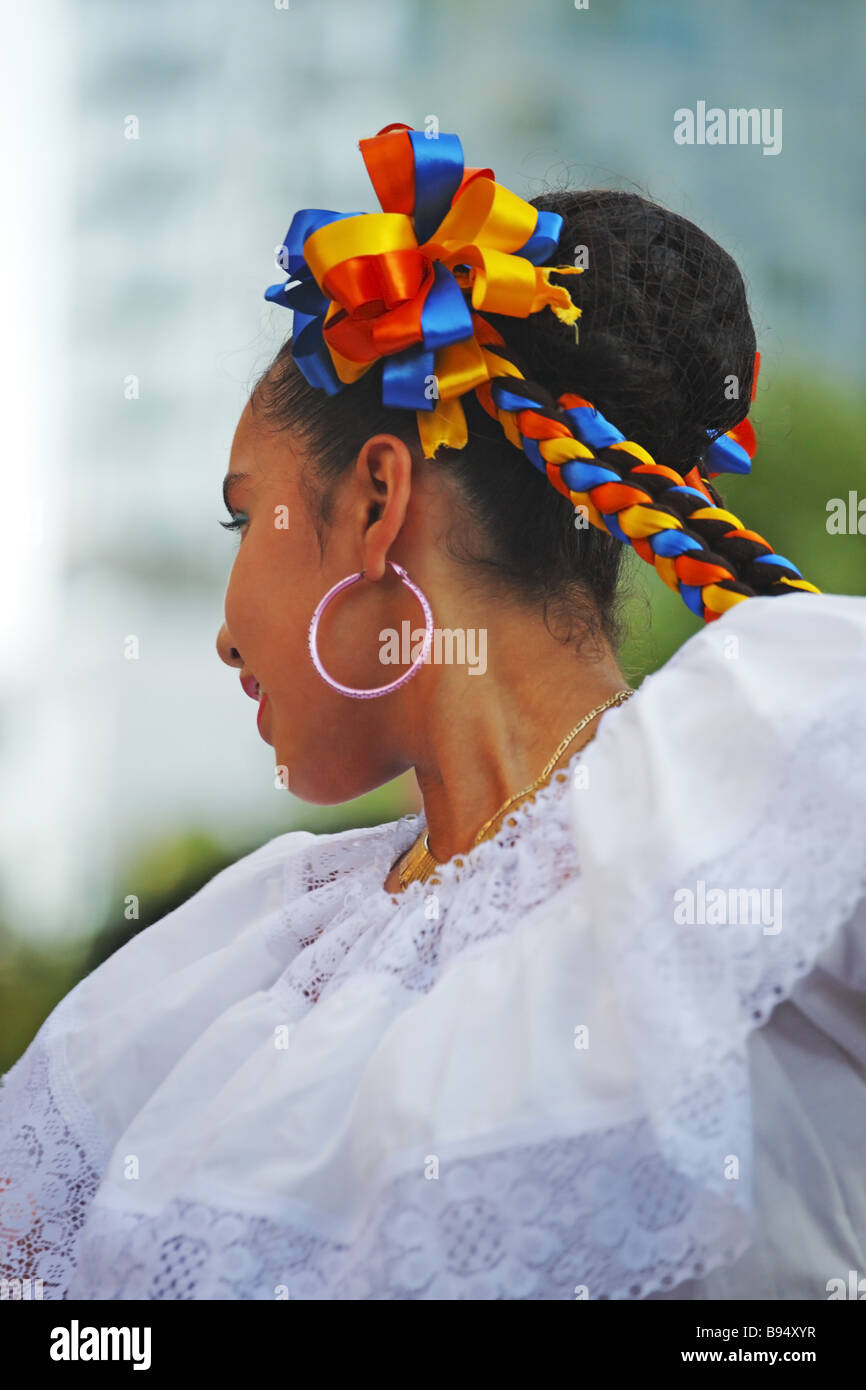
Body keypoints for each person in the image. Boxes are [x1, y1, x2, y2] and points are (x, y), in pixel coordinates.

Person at [1, 122, 864, 1302]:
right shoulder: (237, 956)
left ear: (372, 503)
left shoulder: (754, 796)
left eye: (243, 517)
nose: (218, 625)